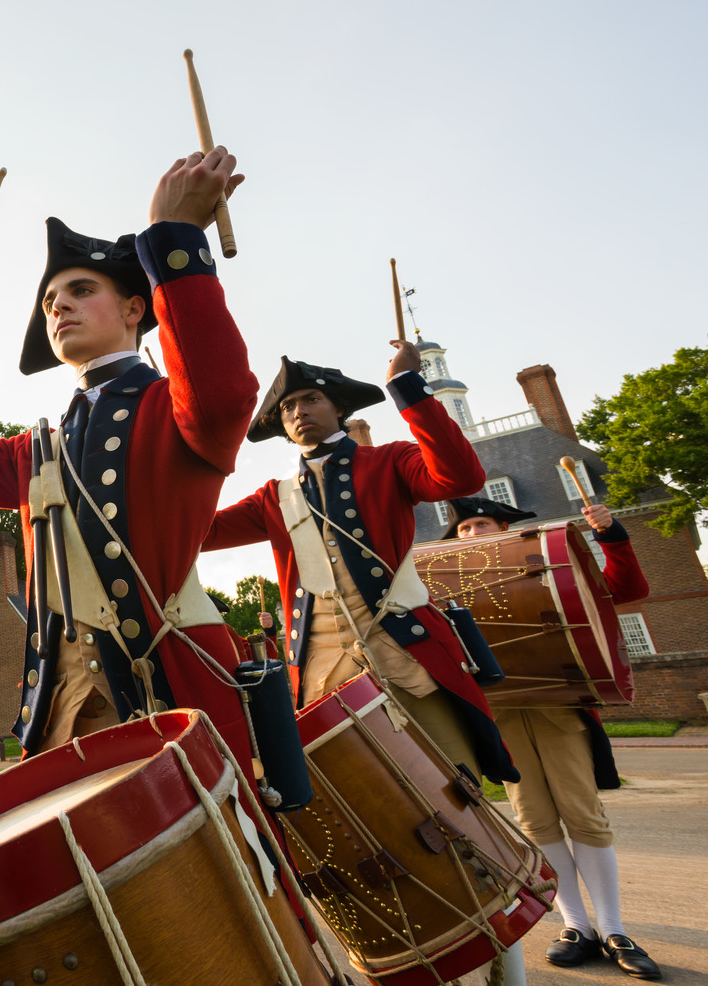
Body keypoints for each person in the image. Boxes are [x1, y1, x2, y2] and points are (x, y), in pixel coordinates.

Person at [0, 149, 262, 771]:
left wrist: (175, 239)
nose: (59, 306)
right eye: (52, 299)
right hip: (57, 706)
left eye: (82, 290)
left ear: (137, 309)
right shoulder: (36, 450)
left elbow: (223, 395)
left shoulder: (174, 409)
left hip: (171, 690)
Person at [201, 353, 524, 985]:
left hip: (406, 655)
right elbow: (195, 532)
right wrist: (181, 466)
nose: (298, 413)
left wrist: (410, 389)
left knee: (458, 797)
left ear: (339, 408)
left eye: (310, 400)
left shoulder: (390, 461)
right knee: (369, 817)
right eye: (288, 408)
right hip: (323, 668)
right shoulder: (276, 497)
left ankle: (506, 960)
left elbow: (458, 474)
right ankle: (426, 953)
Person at [446, 497, 660, 980]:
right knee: (535, 821)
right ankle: (576, 926)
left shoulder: (538, 566)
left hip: (557, 705)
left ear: (505, 527)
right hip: (501, 712)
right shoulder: (446, 585)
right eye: (462, 530)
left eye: (480, 525)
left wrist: (610, 535)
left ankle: (613, 929)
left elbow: (626, 589)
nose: (471, 535)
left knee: (582, 815)